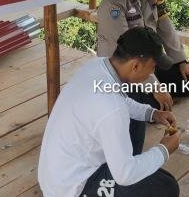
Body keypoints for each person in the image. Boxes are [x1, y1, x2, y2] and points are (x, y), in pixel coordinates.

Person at [38, 27, 181, 197]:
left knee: (150, 162)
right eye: (152, 67)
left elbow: (122, 101)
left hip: (59, 170)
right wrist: (164, 149)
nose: (152, 72)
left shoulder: (98, 66)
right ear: (135, 65)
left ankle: (128, 160)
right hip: (72, 188)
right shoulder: (111, 108)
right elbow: (125, 175)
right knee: (167, 188)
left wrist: (152, 113)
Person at [97, 0, 189, 153]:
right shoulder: (113, 4)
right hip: (127, 72)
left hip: (151, 62)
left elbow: (165, 26)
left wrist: (182, 61)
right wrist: (155, 85)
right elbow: (127, 57)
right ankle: (148, 101)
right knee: (149, 105)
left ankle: (156, 96)